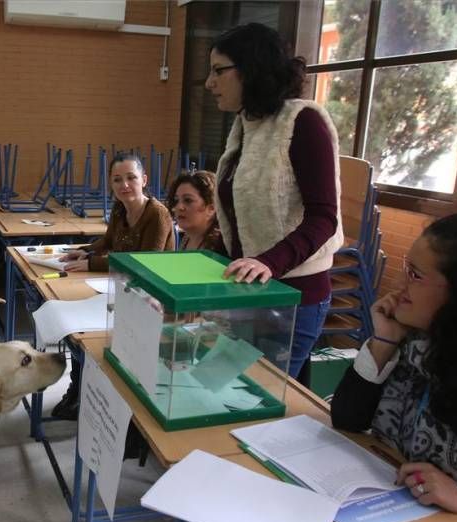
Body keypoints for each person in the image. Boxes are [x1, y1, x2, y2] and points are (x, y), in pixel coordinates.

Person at [206, 23, 343, 386]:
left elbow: (324, 217)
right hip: (251, 292)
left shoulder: (303, 122)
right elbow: (241, 218)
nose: (209, 83)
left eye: (218, 71)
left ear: (251, 68)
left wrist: (267, 261)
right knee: (216, 386)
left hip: (294, 299)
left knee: (251, 399)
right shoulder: (246, 125)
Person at [331, 214, 457, 514]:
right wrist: (384, 343)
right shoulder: (414, 342)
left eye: (415, 275)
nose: (398, 283)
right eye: (406, 267)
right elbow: (347, 419)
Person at [50, 153, 175, 420]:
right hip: (118, 289)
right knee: (79, 334)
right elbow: (107, 242)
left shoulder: (157, 214)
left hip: (151, 300)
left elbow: (144, 263)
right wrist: (82, 251)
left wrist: (93, 263)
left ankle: (103, 404)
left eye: (131, 177)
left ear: (144, 179)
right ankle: (79, 391)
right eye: (117, 179)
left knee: (96, 340)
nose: (124, 185)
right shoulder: (120, 208)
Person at [166, 169, 227, 255]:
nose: (179, 207)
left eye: (188, 200)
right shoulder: (187, 238)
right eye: (176, 200)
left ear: (211, 208)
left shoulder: (222, 247)